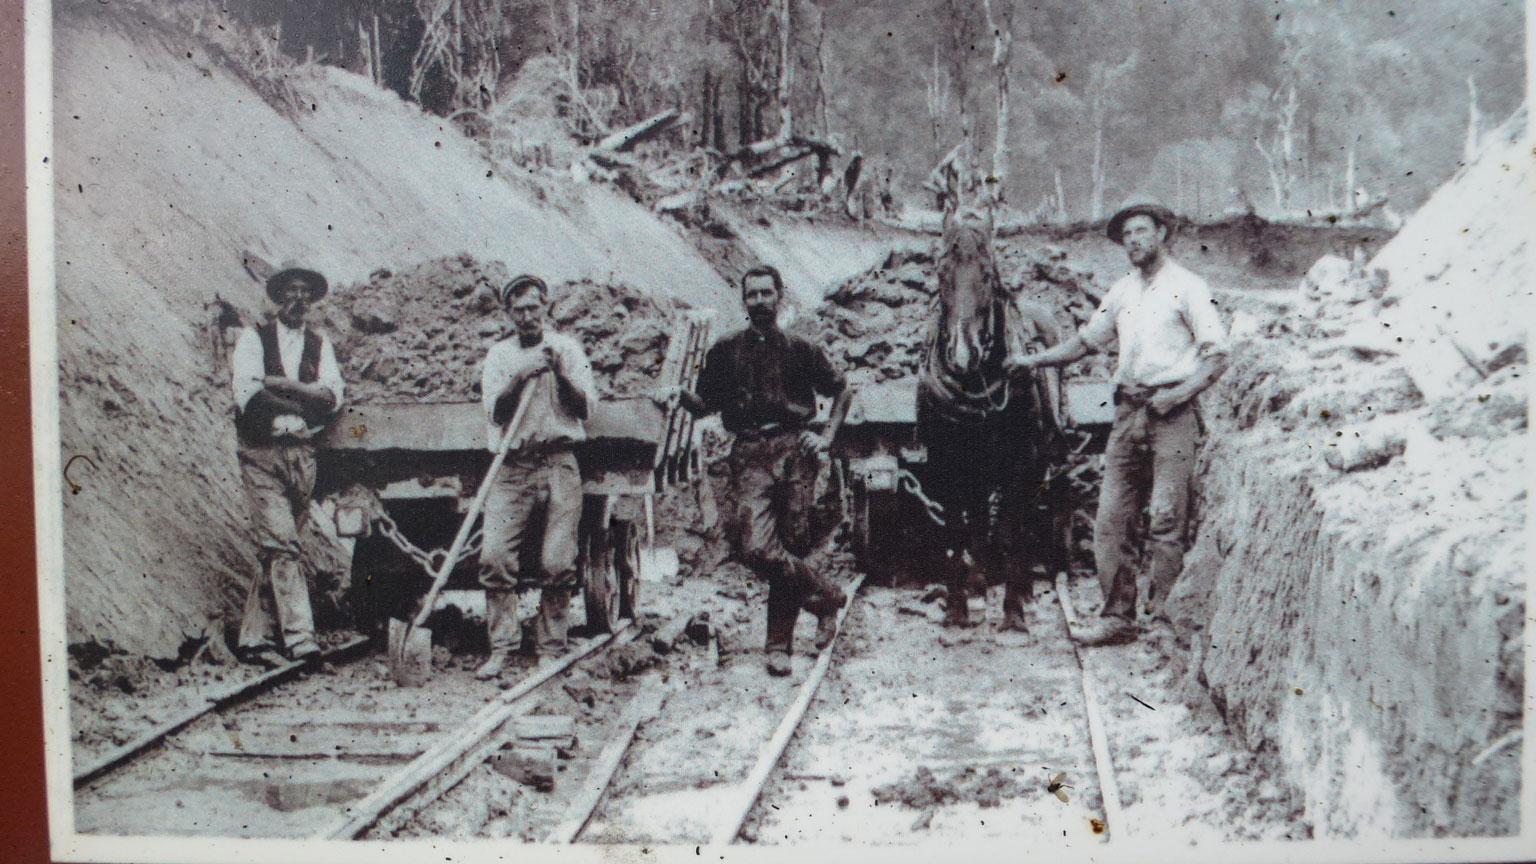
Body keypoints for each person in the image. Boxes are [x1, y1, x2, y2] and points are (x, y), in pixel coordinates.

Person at [1005, 200, 1229, 646]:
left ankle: (1164, 620)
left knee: (1166, 519)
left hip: (1174, 416)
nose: (1134, 241)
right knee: (1111, 520)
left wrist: (1178, 394)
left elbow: (1218, 355)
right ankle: (1117, 617)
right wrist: (1033, 360)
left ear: (1163, 234)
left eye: (1142, 232)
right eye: (1127, 236)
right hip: (1127, 413)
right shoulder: (1124, 290)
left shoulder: (1188, 288)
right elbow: (1087, 341)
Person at [657, 266, 849, 676]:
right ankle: (826, 596)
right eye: (752, 295)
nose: (759, 301)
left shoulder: (802, 349)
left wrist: (827, 437)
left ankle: (778, 646)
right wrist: (680, 397)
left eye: (766, 293)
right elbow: (705, 405)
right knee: (756, 547)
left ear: (780, 296)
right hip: (748, 456)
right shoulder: (725, 351)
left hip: (794, 450)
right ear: (743, 301)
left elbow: (842, 389)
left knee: (791, 545)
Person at [475, 274, 598, 680]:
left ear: (546, 307)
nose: (528, 316)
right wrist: (520, 376)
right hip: (513, 466)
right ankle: (502, 648)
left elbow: (584, 410)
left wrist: (559, 374)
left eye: (534, 307)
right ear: (508, 314)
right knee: (494, 556)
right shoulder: (499, 356)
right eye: (519, 309)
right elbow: (494, 411)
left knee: (557, 561)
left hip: (559, 462)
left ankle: (551, 647)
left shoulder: (568, 349)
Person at [230, 262, 346, 668]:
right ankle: (301, 640)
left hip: (302, 459)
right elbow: (248, 393)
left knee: (278, 549)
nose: (298, 299)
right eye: (291, 292)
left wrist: (283, 386)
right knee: (283, 544)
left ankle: (255, 640)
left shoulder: (320, 344)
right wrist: (302, 402)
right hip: (263, 454)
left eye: (305, 293)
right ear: (278, 297)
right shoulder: (253, 339)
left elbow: (332, 397)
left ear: (312, 301)